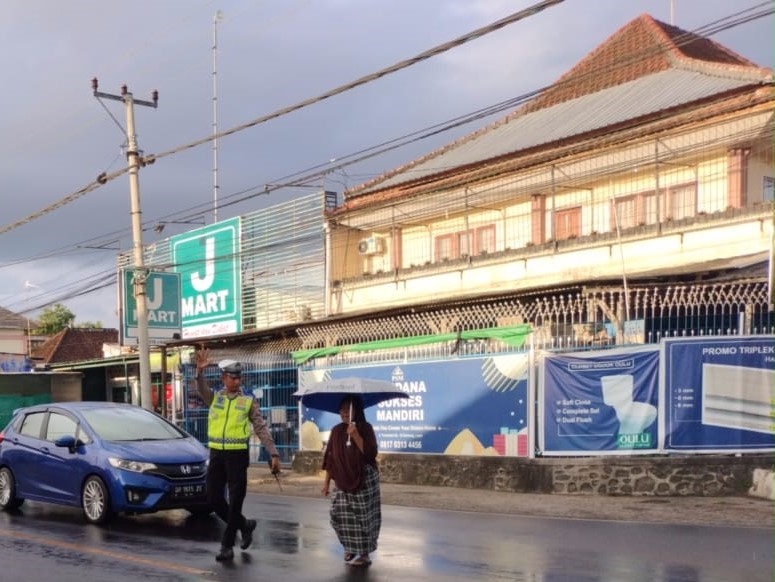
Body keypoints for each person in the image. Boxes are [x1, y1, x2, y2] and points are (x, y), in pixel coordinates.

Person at [195, 348, 281, 562]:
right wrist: (199, 373)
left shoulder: (248, 400)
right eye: (233, 377)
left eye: (239, 377)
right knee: (214, 498)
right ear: (224, 378)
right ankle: (245, 525)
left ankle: (226, 545)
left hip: (237, 457)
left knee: (235, 502)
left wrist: (273, 453)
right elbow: (201, 388)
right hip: (216, 455)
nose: (237, 380)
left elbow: (260, 427)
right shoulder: (215, 397)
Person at [321, 394, 381, 567]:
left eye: (348, 408)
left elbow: (370, 454)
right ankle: (350, 546)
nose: (344, 412)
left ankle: (364, 554)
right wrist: (326, 483)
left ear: (357, 410)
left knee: (363, 518)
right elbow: (331, 458)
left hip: (363, 479)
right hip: (342, 479)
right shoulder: (337, 430)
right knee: (338, 515)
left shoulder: (365, 428)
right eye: (342, 409)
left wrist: (355, 435)